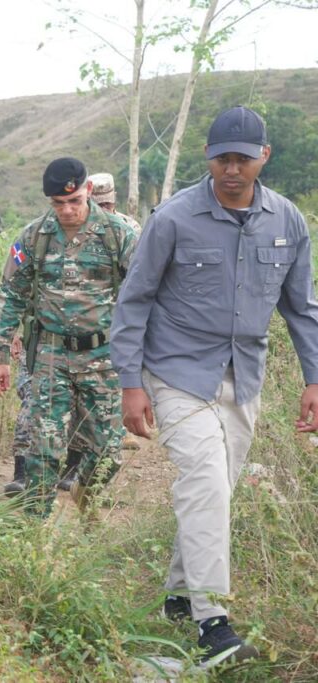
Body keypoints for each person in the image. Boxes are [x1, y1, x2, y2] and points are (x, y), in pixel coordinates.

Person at [111, 106, 318, 667]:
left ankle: (178, 597)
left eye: (243, 159)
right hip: (176, 371)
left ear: (263, 158)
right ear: (209, 158)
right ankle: (214, 625)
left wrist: (313, 378)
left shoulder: (288, 221)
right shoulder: (174, 217)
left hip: (243, 374)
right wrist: (132, 383)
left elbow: (303, 308)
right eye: (222, 158)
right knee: (204, 479)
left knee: (218, 489)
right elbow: (134, 300)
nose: (232, 169)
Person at [0, 158, 137, 517]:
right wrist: (0, 358)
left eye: (75, 201)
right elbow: (11, 295)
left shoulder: (119, 234)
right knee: (44, 448)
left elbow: (145, 294)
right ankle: (34, 528)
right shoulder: (34, 236)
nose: (68, 210)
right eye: (59, 204)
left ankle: (85, 489)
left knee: (108, 449)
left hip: (103, 355)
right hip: (51, 355)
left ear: (88, 191)